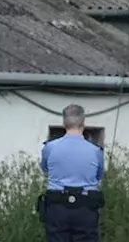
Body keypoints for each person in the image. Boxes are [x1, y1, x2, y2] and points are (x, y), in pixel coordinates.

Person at [38, 104, 105, 242]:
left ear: (64, 123)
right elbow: (99, 176)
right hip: (86, 208)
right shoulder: (95, 151)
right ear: (83, 123)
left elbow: (45, 170)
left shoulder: (50, 148)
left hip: (57, 207)